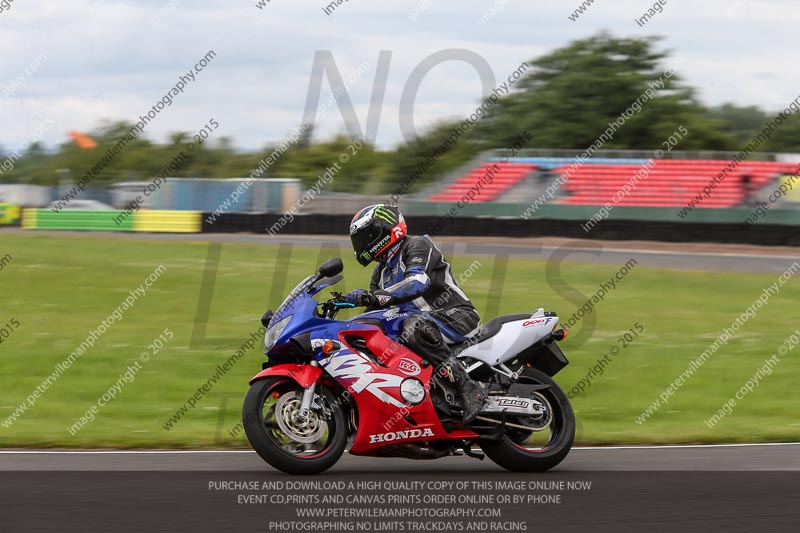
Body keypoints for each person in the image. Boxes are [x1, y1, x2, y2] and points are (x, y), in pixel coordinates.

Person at [344, 203, 487, 424]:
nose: (361, 244)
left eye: (366, 236)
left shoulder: (416, 245)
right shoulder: (381, 271)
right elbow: (375, 312)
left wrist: (375, 297)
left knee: (413, 326)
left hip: (455, 316)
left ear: (383, 231)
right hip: (423, 324)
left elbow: (417, 282)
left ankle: (468, 388)